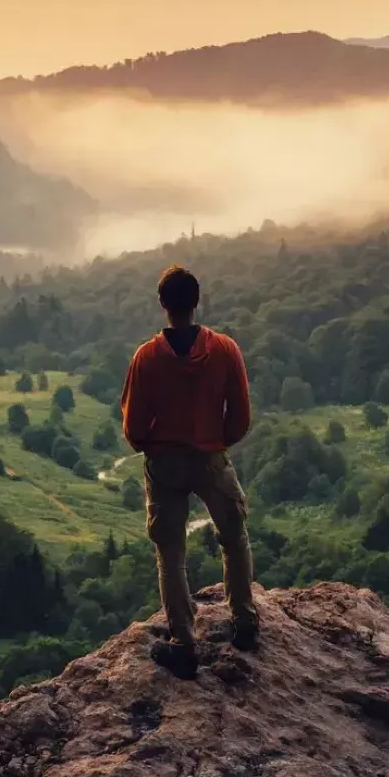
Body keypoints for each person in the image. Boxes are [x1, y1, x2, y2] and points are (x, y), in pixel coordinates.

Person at [120, 265, 257, 678]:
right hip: (211, 458)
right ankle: (245, 623)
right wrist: (219, 442)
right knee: (234, 537)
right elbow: (241, 414)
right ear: (197, 302)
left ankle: (184, 642)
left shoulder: (147, 357)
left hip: (165, 464)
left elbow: (133, 427)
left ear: (163, 305)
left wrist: (154, 447)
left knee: (171, 553)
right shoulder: (224, 350)